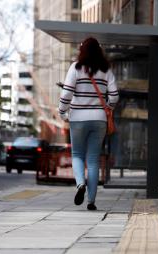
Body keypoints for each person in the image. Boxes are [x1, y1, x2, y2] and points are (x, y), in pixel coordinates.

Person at [58, 37, 119, 210]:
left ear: (81, 50)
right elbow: (114, 95)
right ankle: (91, 201)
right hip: (99, 119)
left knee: (77, 154)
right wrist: (108, 107)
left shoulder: (76, 68)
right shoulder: (106, 69)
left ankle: (80, 185)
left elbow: (67, 93)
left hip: (77, 118)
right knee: (92, 160)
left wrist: (62, 111)